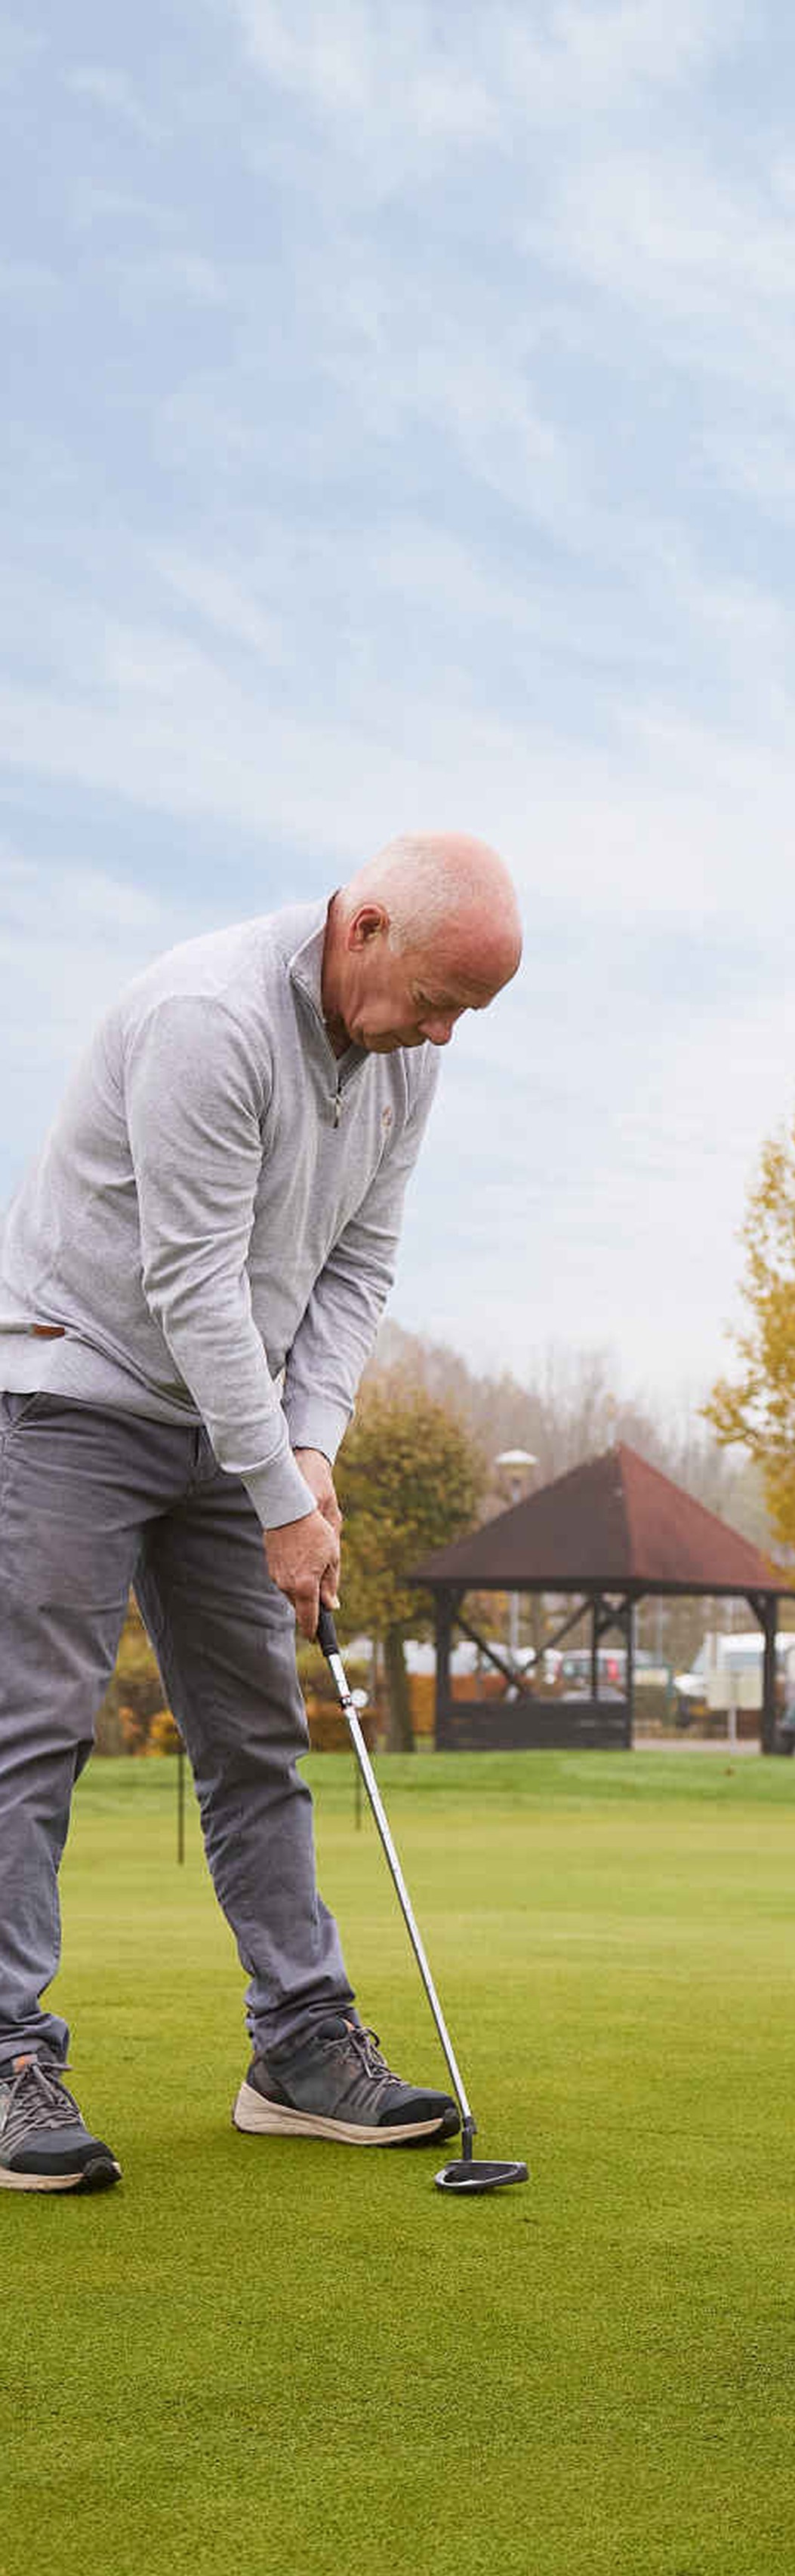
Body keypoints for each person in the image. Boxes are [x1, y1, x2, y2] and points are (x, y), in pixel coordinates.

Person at [0, 836, 524, 2192]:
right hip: (76, 1386)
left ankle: (298, 2048)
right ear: (362, 929)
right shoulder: (207, 1021)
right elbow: (191, 1282)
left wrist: (310, 1443)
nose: (444, 1036)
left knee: (255, 1740)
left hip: (225, 1423)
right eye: (434, 1001)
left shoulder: (408, 1062)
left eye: (468, 1016)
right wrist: (283, 1497)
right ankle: (4, 2052)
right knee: (36, 1727)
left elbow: (358, 1263)